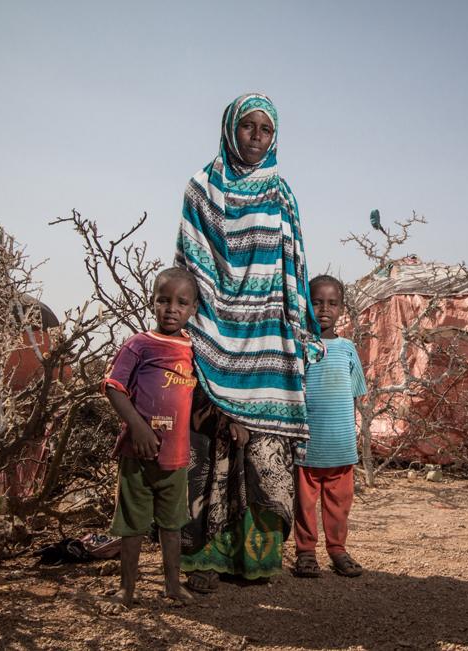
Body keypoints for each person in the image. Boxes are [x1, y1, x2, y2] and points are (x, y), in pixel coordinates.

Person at [175, 93, 322, 592]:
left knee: (264, 446)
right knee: (209, 442)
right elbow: (190, 263)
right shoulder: (200, 188)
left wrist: (297, 327)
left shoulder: (280, 191)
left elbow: (294, 264)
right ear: (229, 129)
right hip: (214, 328)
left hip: (267, 334)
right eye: (247, 127)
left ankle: (254, 560)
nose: (256, 137)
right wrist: (206, 327)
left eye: (265, 129)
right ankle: (200, 561)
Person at [101, 267, 199, 612]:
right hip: (137, 455)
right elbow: (114, 388)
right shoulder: (139, 344)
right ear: (152, 302)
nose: (172, 308)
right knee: (132, 527)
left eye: (181, 302)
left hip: (176, 457)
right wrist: (138, 428)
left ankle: (172, 586)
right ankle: (126, 590)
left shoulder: (194, 350)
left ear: (193, 309)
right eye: (163, 300)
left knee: (172, 526)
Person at [293, 274, 367, 578]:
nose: (324, 309)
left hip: (341, 446)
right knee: (305, 505)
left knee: (339, 505)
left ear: (342, 308)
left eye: (332, 303)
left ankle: (337, 550)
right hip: (307, 445)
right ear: (306, 305)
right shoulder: (299, 345)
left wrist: (355, 436)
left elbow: (354, 396)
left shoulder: (348, 349)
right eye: (317, 302)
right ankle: (306, 553)